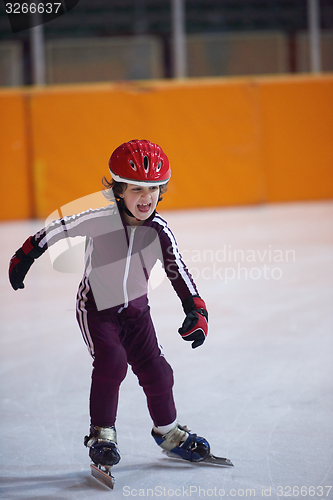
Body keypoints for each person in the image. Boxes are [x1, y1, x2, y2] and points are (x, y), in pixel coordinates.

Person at [9, 139, 210, 468]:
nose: (146, 199)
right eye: (136, 190)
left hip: (137, 314)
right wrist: (26, 254)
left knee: (158, 372)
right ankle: (102, 434)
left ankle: (169, 432)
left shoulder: (159, 230)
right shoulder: (100, 220)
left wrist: (196, 309)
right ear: (118, 190)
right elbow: (60, 228)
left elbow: (178, 270)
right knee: (112, 361)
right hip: (97, 311)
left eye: (154, 189)